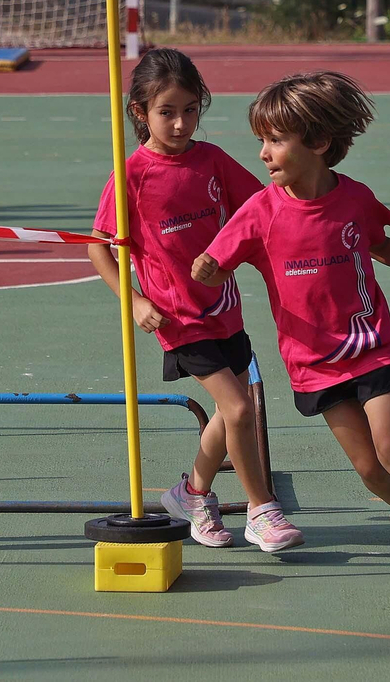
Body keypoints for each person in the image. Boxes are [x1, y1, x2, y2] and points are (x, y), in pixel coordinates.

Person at [194, 71, 390, 611]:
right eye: (262, 139)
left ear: (318, 143)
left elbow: (381, 246)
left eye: (276, 140)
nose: (263, 153)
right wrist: (205, 266)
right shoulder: (260, 211)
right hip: (314, 363)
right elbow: (214, 263)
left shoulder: (354, 199)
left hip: (371, 346)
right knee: (369, 469)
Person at [85, 48, 302, 553]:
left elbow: (260, 208)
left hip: (224, 310)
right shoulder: (131, 177)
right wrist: (133, 300)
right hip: (177, 317)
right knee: (239, 408)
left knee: (231, 414)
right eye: (166, 112)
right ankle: (261, 509)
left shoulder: (212, 160)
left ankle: (191, 493)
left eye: (189, 110)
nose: (180, 123)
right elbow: (98, 245)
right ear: (140, 113)